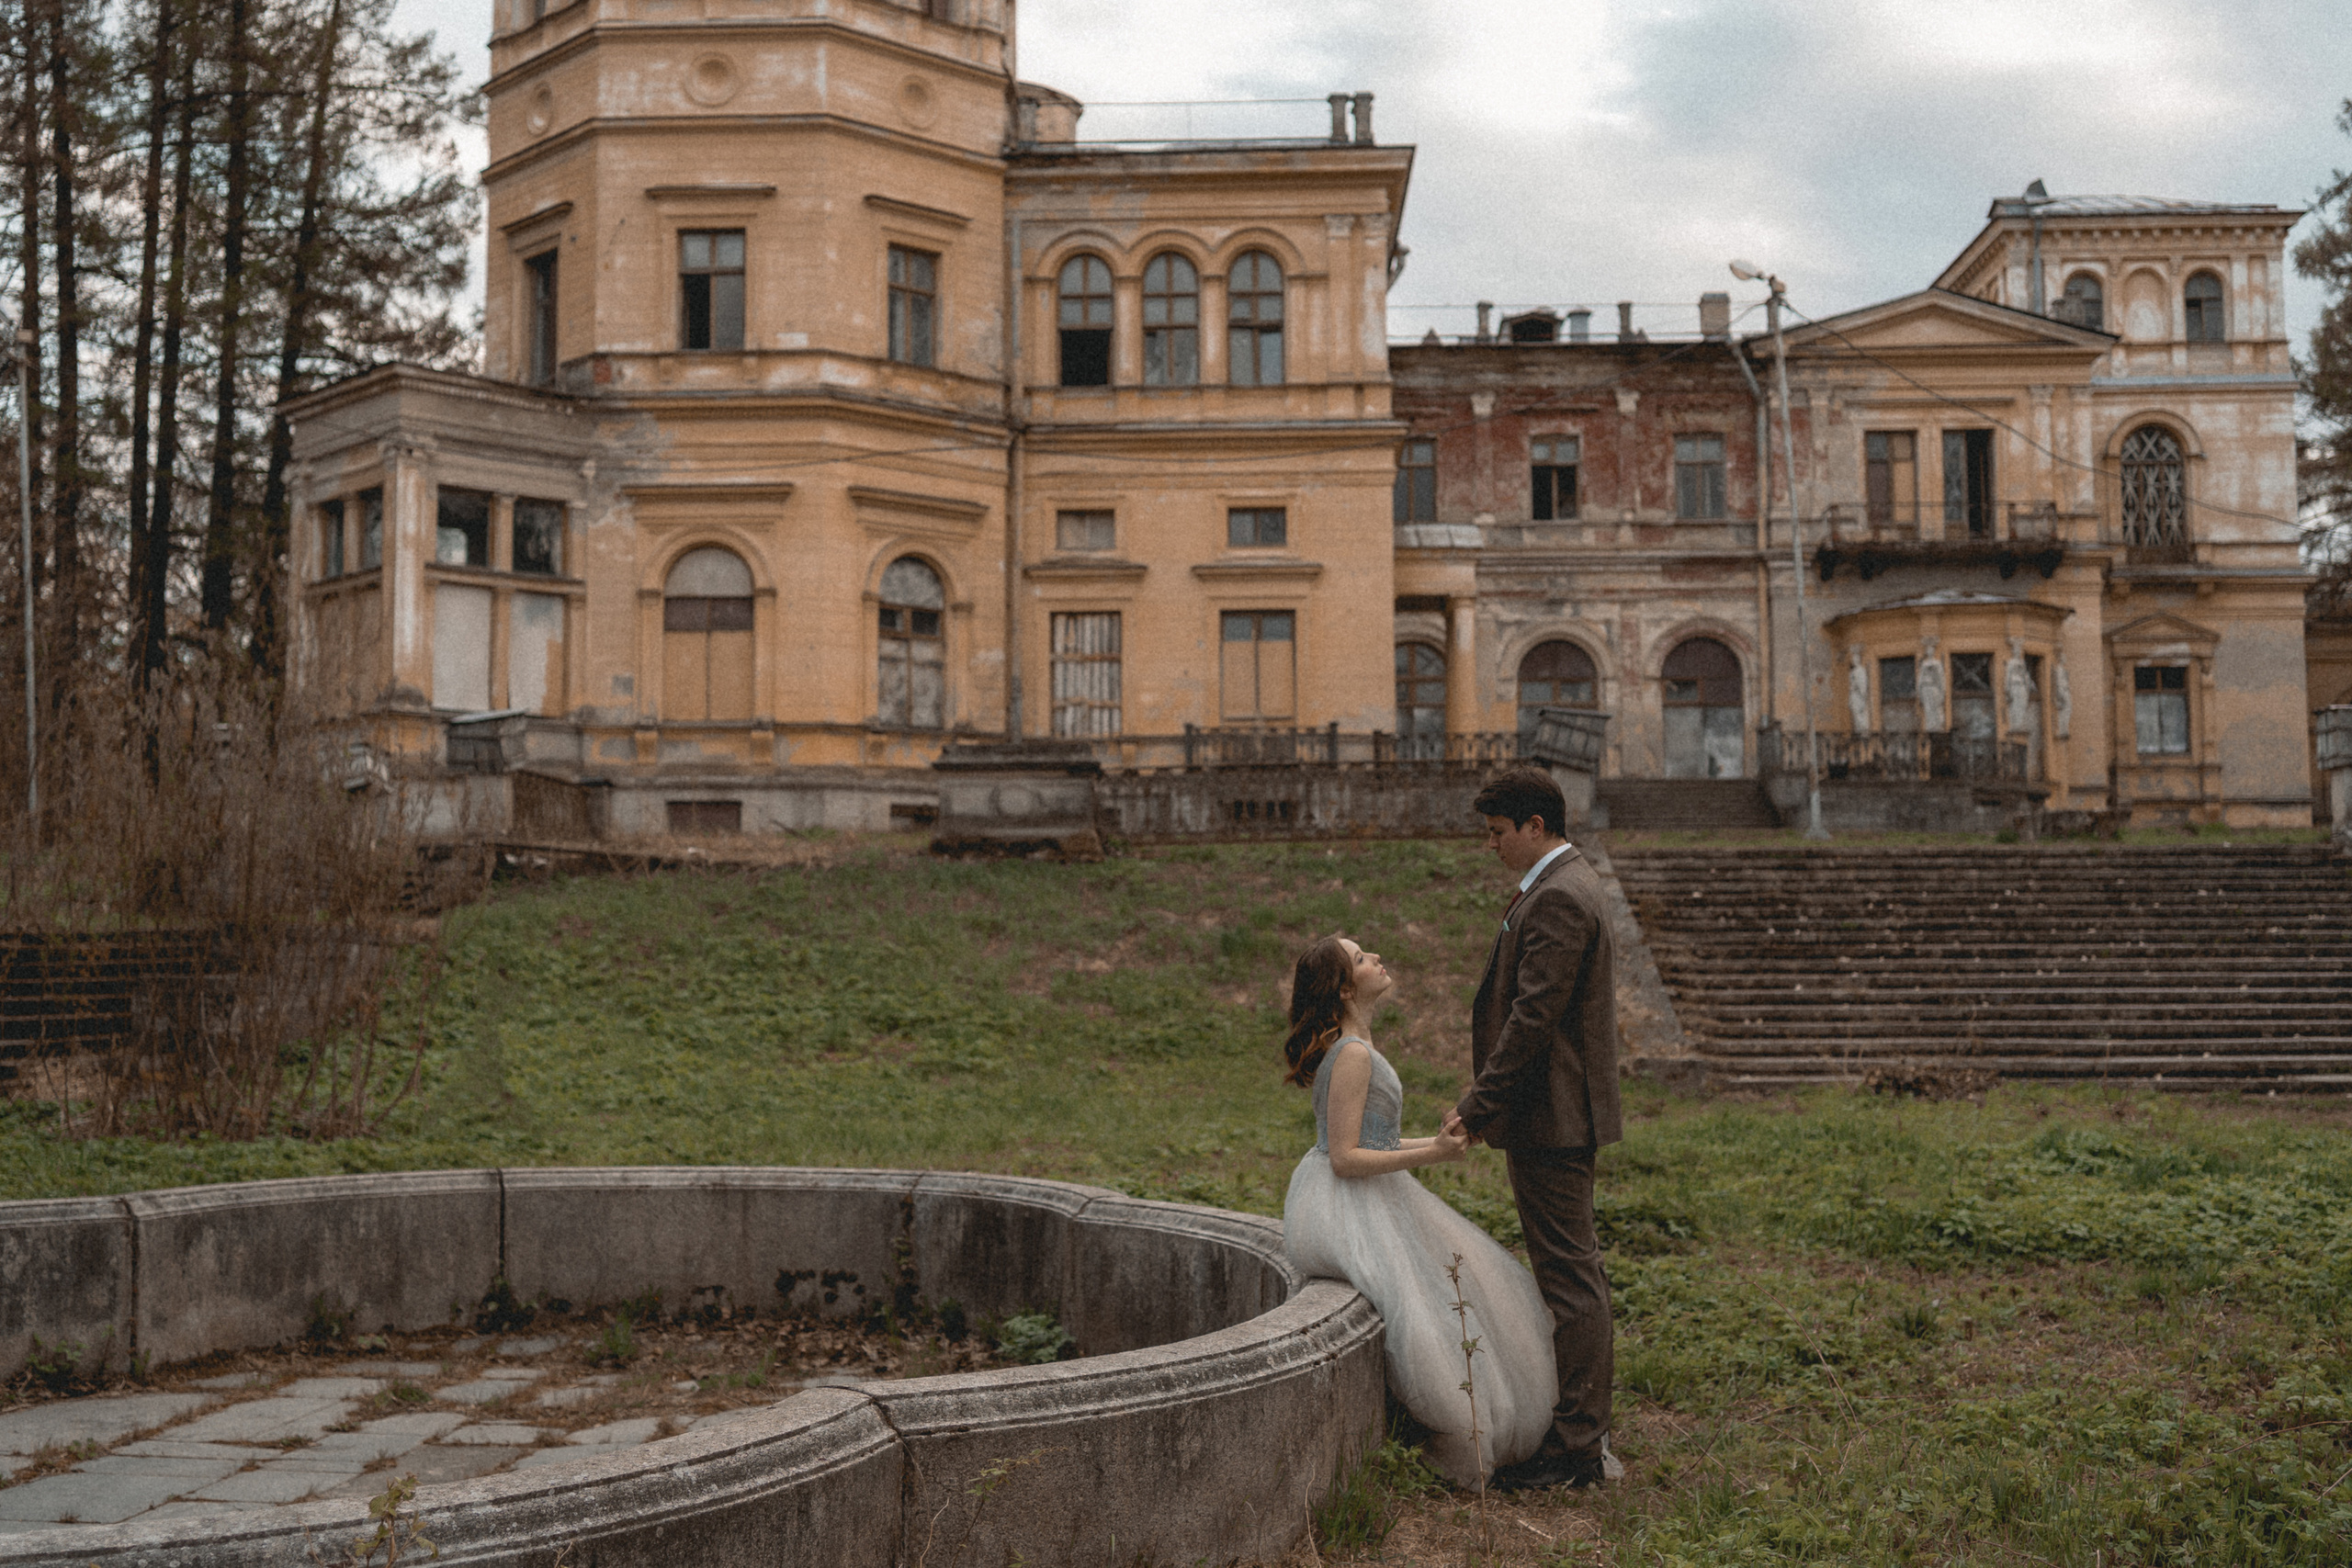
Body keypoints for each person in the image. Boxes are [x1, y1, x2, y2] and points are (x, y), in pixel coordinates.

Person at [1279, 934, 1558, 1488]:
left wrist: (1433, 1143)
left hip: (1367, 1190)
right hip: (1347, 1202)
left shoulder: (1356, 1044)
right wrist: (1434, 1152)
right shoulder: (1353, 1054)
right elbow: (1344, 1157)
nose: (1376, 958)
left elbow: (1372, 1143)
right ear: (1343, 987)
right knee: (1420, 1306)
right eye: (1360, 959)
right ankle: (1436, 1433)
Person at [1442, 765, 1623, 1492]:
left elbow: (1532, 1020)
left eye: (1497, 833)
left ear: (1535, 827)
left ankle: (1577, 1448)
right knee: (1574, 1270)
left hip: (1552, 1116)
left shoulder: (1559, 897)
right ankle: (1580, 1430)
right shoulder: (1561, 885)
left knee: (1571, 1276)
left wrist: (1478, 1104)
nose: (1492, 846)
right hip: (1554, 1111)